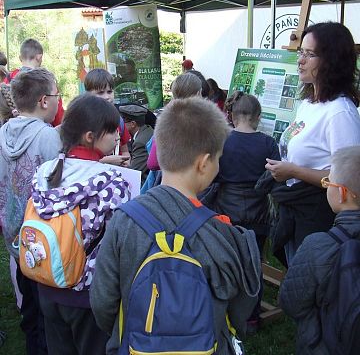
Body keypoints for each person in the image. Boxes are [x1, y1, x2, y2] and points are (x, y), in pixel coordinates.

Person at [90, 97, 261, 355]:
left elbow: (103, 302)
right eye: (218, 159)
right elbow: (239, 310)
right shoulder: (222, 232)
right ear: (204, 163)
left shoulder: (123, 221)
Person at [32, 93, 132, 355]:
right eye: (112, 131)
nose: (116, 138)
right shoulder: (112, 181)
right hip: (87, 293)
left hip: (46, 282)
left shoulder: (46, 172)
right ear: (90, 136)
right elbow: (119, 241)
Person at [265, 22, 360, 264]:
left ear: (331, 60)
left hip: (319, 215)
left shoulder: (340, 113)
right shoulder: (309, 103)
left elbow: (347, 180)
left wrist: (293, 171)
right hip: (297, 208)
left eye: (309, 54)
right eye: (301, 52)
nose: (300, 60)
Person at [0, 68, 62, 355]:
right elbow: (59, 189)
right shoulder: (48, 138)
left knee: (29, 309)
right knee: (48, 315)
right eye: (57, 95)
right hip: (44, 240)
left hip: (15, 237)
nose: (60, 101)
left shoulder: (2, 133)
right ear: (44, 100)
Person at [207, 91, 280, 333]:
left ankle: (227, 312)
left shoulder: (223, 141)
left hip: (226, 209)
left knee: (226, 261)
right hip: (259, 211)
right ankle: (251, 316)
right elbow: (275, 176)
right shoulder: (269, 143)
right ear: (258, 117)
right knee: (254, 262)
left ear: (232, 116)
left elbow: (212, 175)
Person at [279, 145, 360, 354]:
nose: (326, 187)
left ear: (342, 193)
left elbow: (290, 303)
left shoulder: (318, 245)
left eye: (327, 182)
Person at [146, 72, 202, 173]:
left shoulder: (166, 120)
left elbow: (153, 163)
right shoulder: (209, 121)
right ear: (198, 93)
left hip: (173, 182)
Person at [4, 38, 64, 127]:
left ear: (20, 58)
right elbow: (57, 114)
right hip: (41, 132)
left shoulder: (9, 78)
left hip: (12, 127)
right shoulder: (46, 80)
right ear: (39, 57)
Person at [84, 68, 131, 164]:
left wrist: (126, 162)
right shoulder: (84, 122)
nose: (106, 97)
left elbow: (125, 150)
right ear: (88, 94)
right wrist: (106, 161)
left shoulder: (118, 120)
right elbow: (79, 159)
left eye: (109, 92)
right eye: (100, 93)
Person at [119, 104, 154, 184]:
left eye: (123, 122)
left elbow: (134, 171)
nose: (121, 125)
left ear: (133, 124)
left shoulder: (140, 142)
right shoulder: (147, 129)